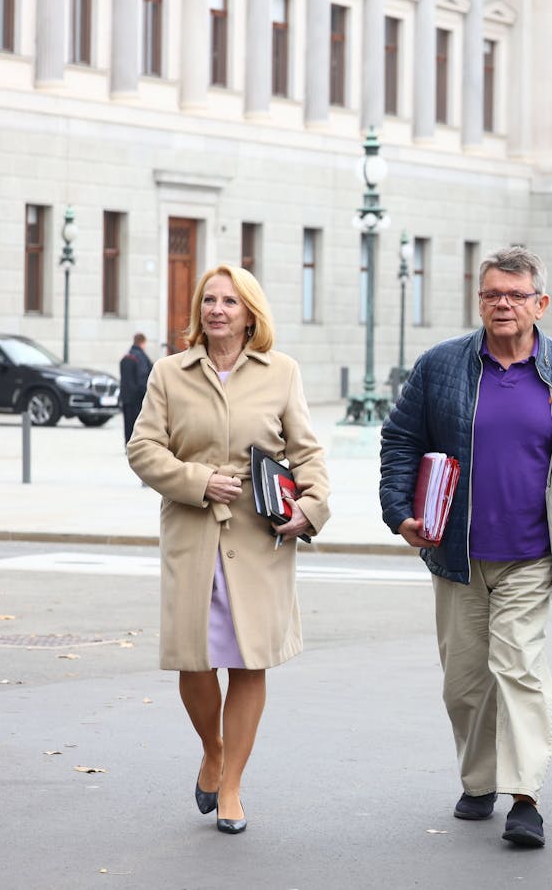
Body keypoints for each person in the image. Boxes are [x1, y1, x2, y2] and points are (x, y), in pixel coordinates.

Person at [379, 246, 552, 849]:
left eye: (514, 295)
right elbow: (401, 438)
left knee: (519, 665)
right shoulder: (442, 366)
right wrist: (400, 511)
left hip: (533, 554)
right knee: (464, 681)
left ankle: (526, 795)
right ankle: (479, 780)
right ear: (479, 300)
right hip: (457, 553)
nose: (501, 305)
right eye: (491, 295)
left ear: (541, 303)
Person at [127, 264, 330, 835]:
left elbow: (308, 454)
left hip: (259, 535)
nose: (218, 310)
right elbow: (142, 449)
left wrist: (309, 509)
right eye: (209, 300)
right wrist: (196, 481)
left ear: (250, 314)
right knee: (195, 660)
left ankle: (233, 784)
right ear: (199, 312)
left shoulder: (281, 372)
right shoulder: (169, 373)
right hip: (193, 534)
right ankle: (212, 750)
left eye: (230, 302)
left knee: (248, 660)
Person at [118, 333, 153, 443]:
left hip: (125, 396)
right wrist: (148, 395)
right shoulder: (141, 357)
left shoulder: (126, 356)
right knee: (138, 423)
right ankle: (136, 444)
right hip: (137, 398)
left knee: (127, 423)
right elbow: (142, 378)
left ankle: (127, 444)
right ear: (143, 343)